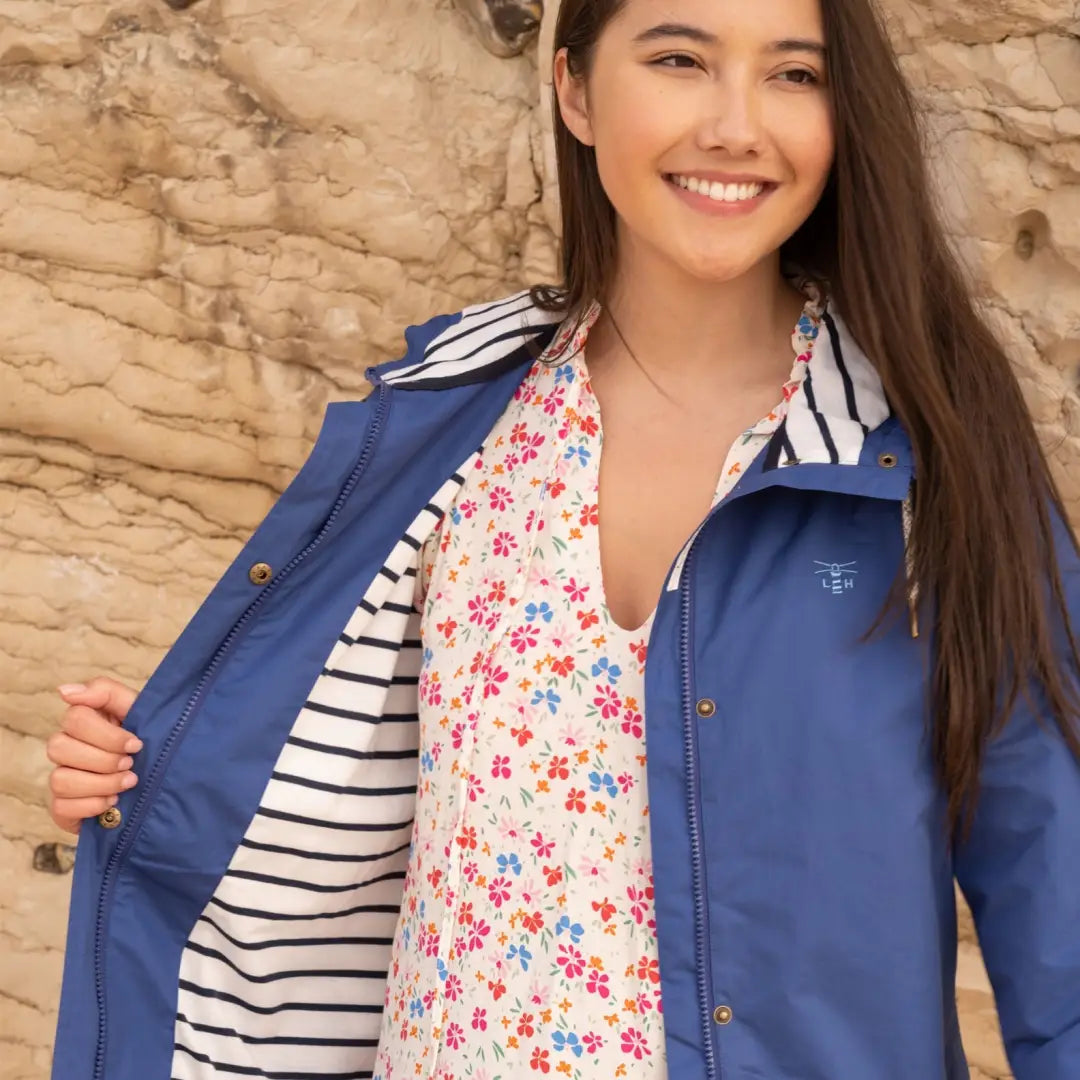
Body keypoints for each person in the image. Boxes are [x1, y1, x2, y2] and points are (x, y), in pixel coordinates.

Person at [44, 0, 1080, 1077]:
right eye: (679, 59)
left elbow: (1060, 897)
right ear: (577, 90)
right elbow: (319, 787)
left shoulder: (926, 456)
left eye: (794, 75)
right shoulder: (452, 414)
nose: (736, 126)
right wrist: (148, 765)